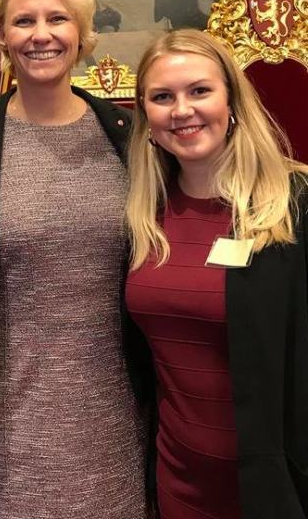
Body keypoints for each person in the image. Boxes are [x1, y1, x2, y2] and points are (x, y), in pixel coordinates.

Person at [0, 0, 147, 519]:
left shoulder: (128, 135)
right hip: (3, 422)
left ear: (82, 33)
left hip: (113, 414)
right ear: (1, 37)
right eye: (23, 20)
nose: (41, 34)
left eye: (58, 18)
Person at [125, 28, 308, 519]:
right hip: (178, 479)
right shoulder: (144, 215)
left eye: (199, 91)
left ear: (232, 101)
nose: (181, 110)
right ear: (146, 117)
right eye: (162, 97)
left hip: (276, 483)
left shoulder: (295, 202)